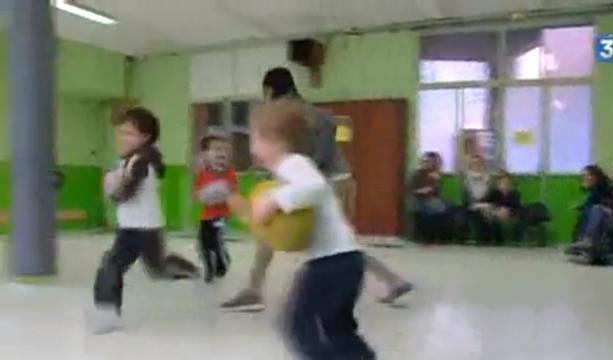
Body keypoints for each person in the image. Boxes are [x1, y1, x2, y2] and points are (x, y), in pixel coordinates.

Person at [221, 67, 412, 311]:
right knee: (315, 238)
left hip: (331, 179)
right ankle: (254, 289)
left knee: (335, 242)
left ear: (268, 90)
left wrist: (289, 183)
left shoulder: (293, 114)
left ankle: (390, 281)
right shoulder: (304, 111)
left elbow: (316, 156)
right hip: (332, 178)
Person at [249, 99, 375, 359]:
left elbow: (315, 188)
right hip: (346, 261)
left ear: (273, 139)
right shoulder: (291, 167)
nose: (252, 147)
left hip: (331, 263)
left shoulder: (292, 163)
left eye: (255, 138)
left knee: (297, 324)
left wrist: (274, 201)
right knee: (337, 329)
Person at [92, 107, 200, 334]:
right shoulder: (130, 160)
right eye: (121, 133)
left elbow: (124, 193)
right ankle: (107, 313)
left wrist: (111, 188)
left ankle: (185, 267)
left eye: (130, 134)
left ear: (145, 137)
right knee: (112, 265)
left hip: (147, 229)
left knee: (157, 269)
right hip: (129, 228)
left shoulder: (141, 161)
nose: (122, 138)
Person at [567, 159, 613, 262]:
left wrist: (606, 205)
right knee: (594, 211)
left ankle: (590, 246)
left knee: (596, 210)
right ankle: (589, 249)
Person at [195, 135, 237, 283]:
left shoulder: (229, 173)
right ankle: (209, 266)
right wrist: (203, 195)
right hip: (206, 215)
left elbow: (231, 191)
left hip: (222, 215)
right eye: (216, 149)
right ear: (206, 154)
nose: (221, 153)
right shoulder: (202, 173)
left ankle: (221, 262)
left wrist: (219, 192)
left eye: (223, 150)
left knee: (216, 239)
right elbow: (197, 194)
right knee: (203, 242)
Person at [410, 151, 453, 242]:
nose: (430, 163)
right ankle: (427, 236)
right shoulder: (417, 174)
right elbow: (411, 190)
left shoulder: (437, 175)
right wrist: (423, 190)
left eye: (433, 162)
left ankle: (441, 236)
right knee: (435, 208)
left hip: (434, 199)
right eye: (428, 161)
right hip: (420, 199)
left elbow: (438, 192)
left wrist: (437, 182)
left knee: (450, 207)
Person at [571, 165, 613, 243]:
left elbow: (596, 200)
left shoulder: (603, 187)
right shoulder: (595, 189)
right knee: (586, 212)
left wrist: (588, 188)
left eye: (586, 175)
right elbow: (590, 201)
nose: (584, 178)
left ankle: (587, 240)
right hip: (600, 211)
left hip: (606, 213)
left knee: (589, 210)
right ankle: (582, 240)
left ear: (594, 176)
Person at [462, 154, 493, 244]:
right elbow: (467, 193)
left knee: (486, 210)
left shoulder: (487, 176)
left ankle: (487, 239)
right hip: (471, 203)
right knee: (479, 212)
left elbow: (489, 193)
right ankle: (481, 238)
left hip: (484, 202)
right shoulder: (467, 176)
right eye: (474, 163)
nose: (477, 165)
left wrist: (483, 200)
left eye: (479, 163)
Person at [484, 171, 522, 245]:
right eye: (502, 182)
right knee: (490, 218)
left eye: (506, 182)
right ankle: (496, 240)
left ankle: (515, 241)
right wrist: (496, 210)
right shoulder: (494, 192)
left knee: (518, 218)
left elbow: (517, 206)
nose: (504, 184)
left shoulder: (515, 193)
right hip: (496, 212)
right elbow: (487, 202)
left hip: (510, 212)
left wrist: (507, 210)